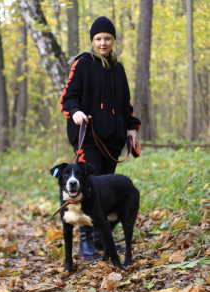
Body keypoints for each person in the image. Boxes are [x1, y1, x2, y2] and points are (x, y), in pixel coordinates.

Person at [60, 16, 141, 259]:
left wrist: (132, 127)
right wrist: (75, 111)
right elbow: (67, 97)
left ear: (113, 40)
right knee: (88, 188)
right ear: (92, 41)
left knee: (105, 191)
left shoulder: (118, 68)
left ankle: (101, 237)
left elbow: (126, 104)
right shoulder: (82, 64)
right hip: (88, 138)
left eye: (107, 38)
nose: (103, 43)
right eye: (98, 39)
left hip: (113, 141)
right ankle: (86, 240)